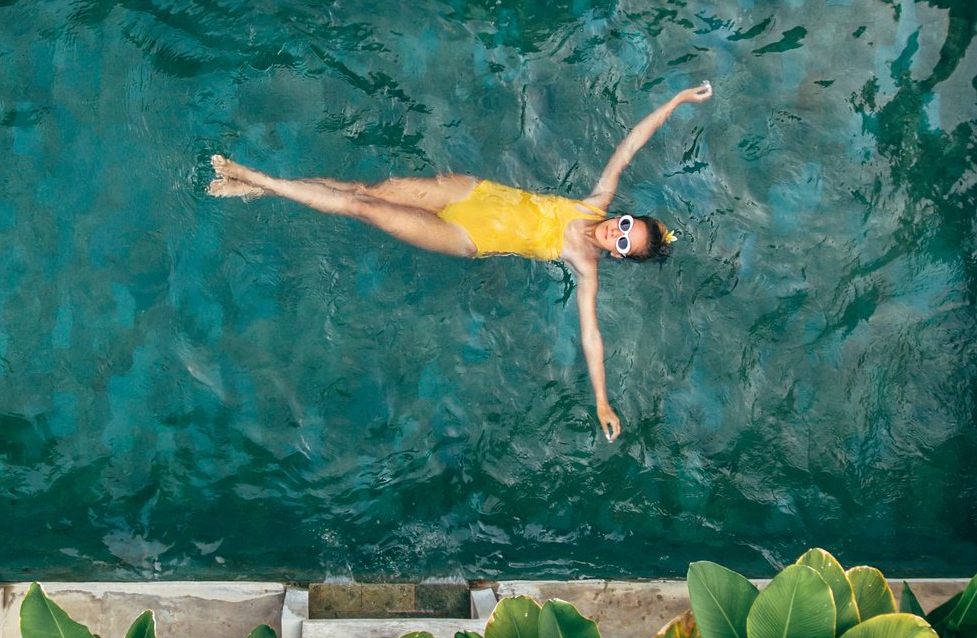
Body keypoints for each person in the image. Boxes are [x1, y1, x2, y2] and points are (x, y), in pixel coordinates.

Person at [207, 82, 714, 441]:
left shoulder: (586, 266)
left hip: (465, 235)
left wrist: (601, 400)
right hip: (472, 192)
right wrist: (676, 101)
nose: (615, 234)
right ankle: (263, 190)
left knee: (364, 208)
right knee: (365, 189)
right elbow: (630, 144)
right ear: (624, 215)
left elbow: (591, 337)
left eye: (624, 244)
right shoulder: (595, 202)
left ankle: (258, 178)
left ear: (620, 257)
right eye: (625, 225)